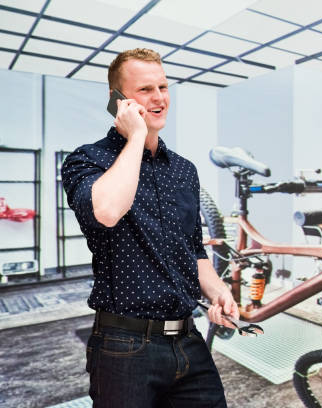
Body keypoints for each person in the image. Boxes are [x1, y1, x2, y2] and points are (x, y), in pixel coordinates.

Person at [62, 48, 239, 408]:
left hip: (189, 339)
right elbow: (108, 210)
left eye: (163, 87)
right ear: (118, 101)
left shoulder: (184, 170)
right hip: (123, 347)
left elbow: (193, 250)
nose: (159, 98)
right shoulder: (87, 160)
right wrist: (136, 136)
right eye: (145, 90)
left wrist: (218, 290)